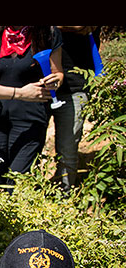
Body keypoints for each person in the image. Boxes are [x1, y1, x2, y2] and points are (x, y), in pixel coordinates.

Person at [0, 26, 64, 185]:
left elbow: (58, 73)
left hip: (30, 117)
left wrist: (55, 80)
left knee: (19, 180)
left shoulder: (47, 33)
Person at [51, 26, 101, 191]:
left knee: (67, 150)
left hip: (74, 86)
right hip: (37, 85)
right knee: (30, 145)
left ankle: (63, 197)